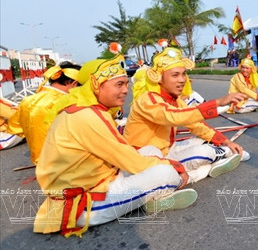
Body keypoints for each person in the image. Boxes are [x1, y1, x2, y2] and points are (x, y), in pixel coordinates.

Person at [34, 54, 198, 237]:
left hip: (100, 179)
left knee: (150, 151)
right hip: (82, 203)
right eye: (119, 85)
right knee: (165, 173)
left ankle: (154, 195)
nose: (126, 90)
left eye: (126, 84)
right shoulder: (88, 116)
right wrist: (175, 166)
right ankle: (174, 185)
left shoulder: (88, 109)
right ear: (96, 85)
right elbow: (132, 161)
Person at [125, 46, 249, 184]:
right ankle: (218, 159)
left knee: (202, 141)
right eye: (175, 75)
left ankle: (214, 161)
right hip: (143, 157)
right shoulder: (147, 100)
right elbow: (174, 116)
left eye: (184, 74)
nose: (182, 80)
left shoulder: (175, 99)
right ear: (159, 78)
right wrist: (218, 102)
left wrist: (226, 141)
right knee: (204, 152)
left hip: (167, 151)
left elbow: (195, 125)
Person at [6, 61, 81, 164]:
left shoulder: (27, 100)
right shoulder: (68, 101)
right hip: (67, 161)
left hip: (40, 161)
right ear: (73, 84)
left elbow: (15, 127)